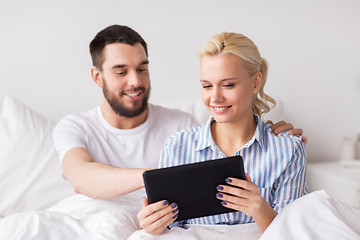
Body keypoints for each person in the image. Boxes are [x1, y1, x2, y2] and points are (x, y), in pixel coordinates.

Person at [53, 25, 304, 201]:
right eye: (121, 72)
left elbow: (225, 135)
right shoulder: (76, 126)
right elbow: (81, 178)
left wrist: (275, 136)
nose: (135, 81)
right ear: (97, 76)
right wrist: (161, 177)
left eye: (142, 69)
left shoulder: (180, 125)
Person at [137, 32, 308, 235]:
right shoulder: (177, 148)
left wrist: (259, 208)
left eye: (228, 85)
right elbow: (170, 229)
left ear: (255, 83)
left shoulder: (288, 149)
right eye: (207, 86)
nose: (215, 97)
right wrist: (154, 223)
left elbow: (293, 234)